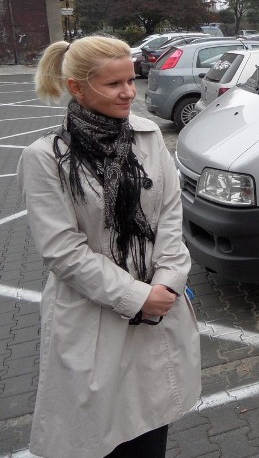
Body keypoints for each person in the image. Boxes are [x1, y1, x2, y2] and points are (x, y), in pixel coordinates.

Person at [17, 36, 201, 457]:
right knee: (100, 436)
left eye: (130, 79)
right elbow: (63, 251)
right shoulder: (46, 157)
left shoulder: (148, 134)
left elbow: (171, 215)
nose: (129, 92)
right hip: (95, 317)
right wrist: (137, 297)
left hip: (159, 313)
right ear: (77, 88)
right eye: (113, 83)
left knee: (151, 427)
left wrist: (168, 284)